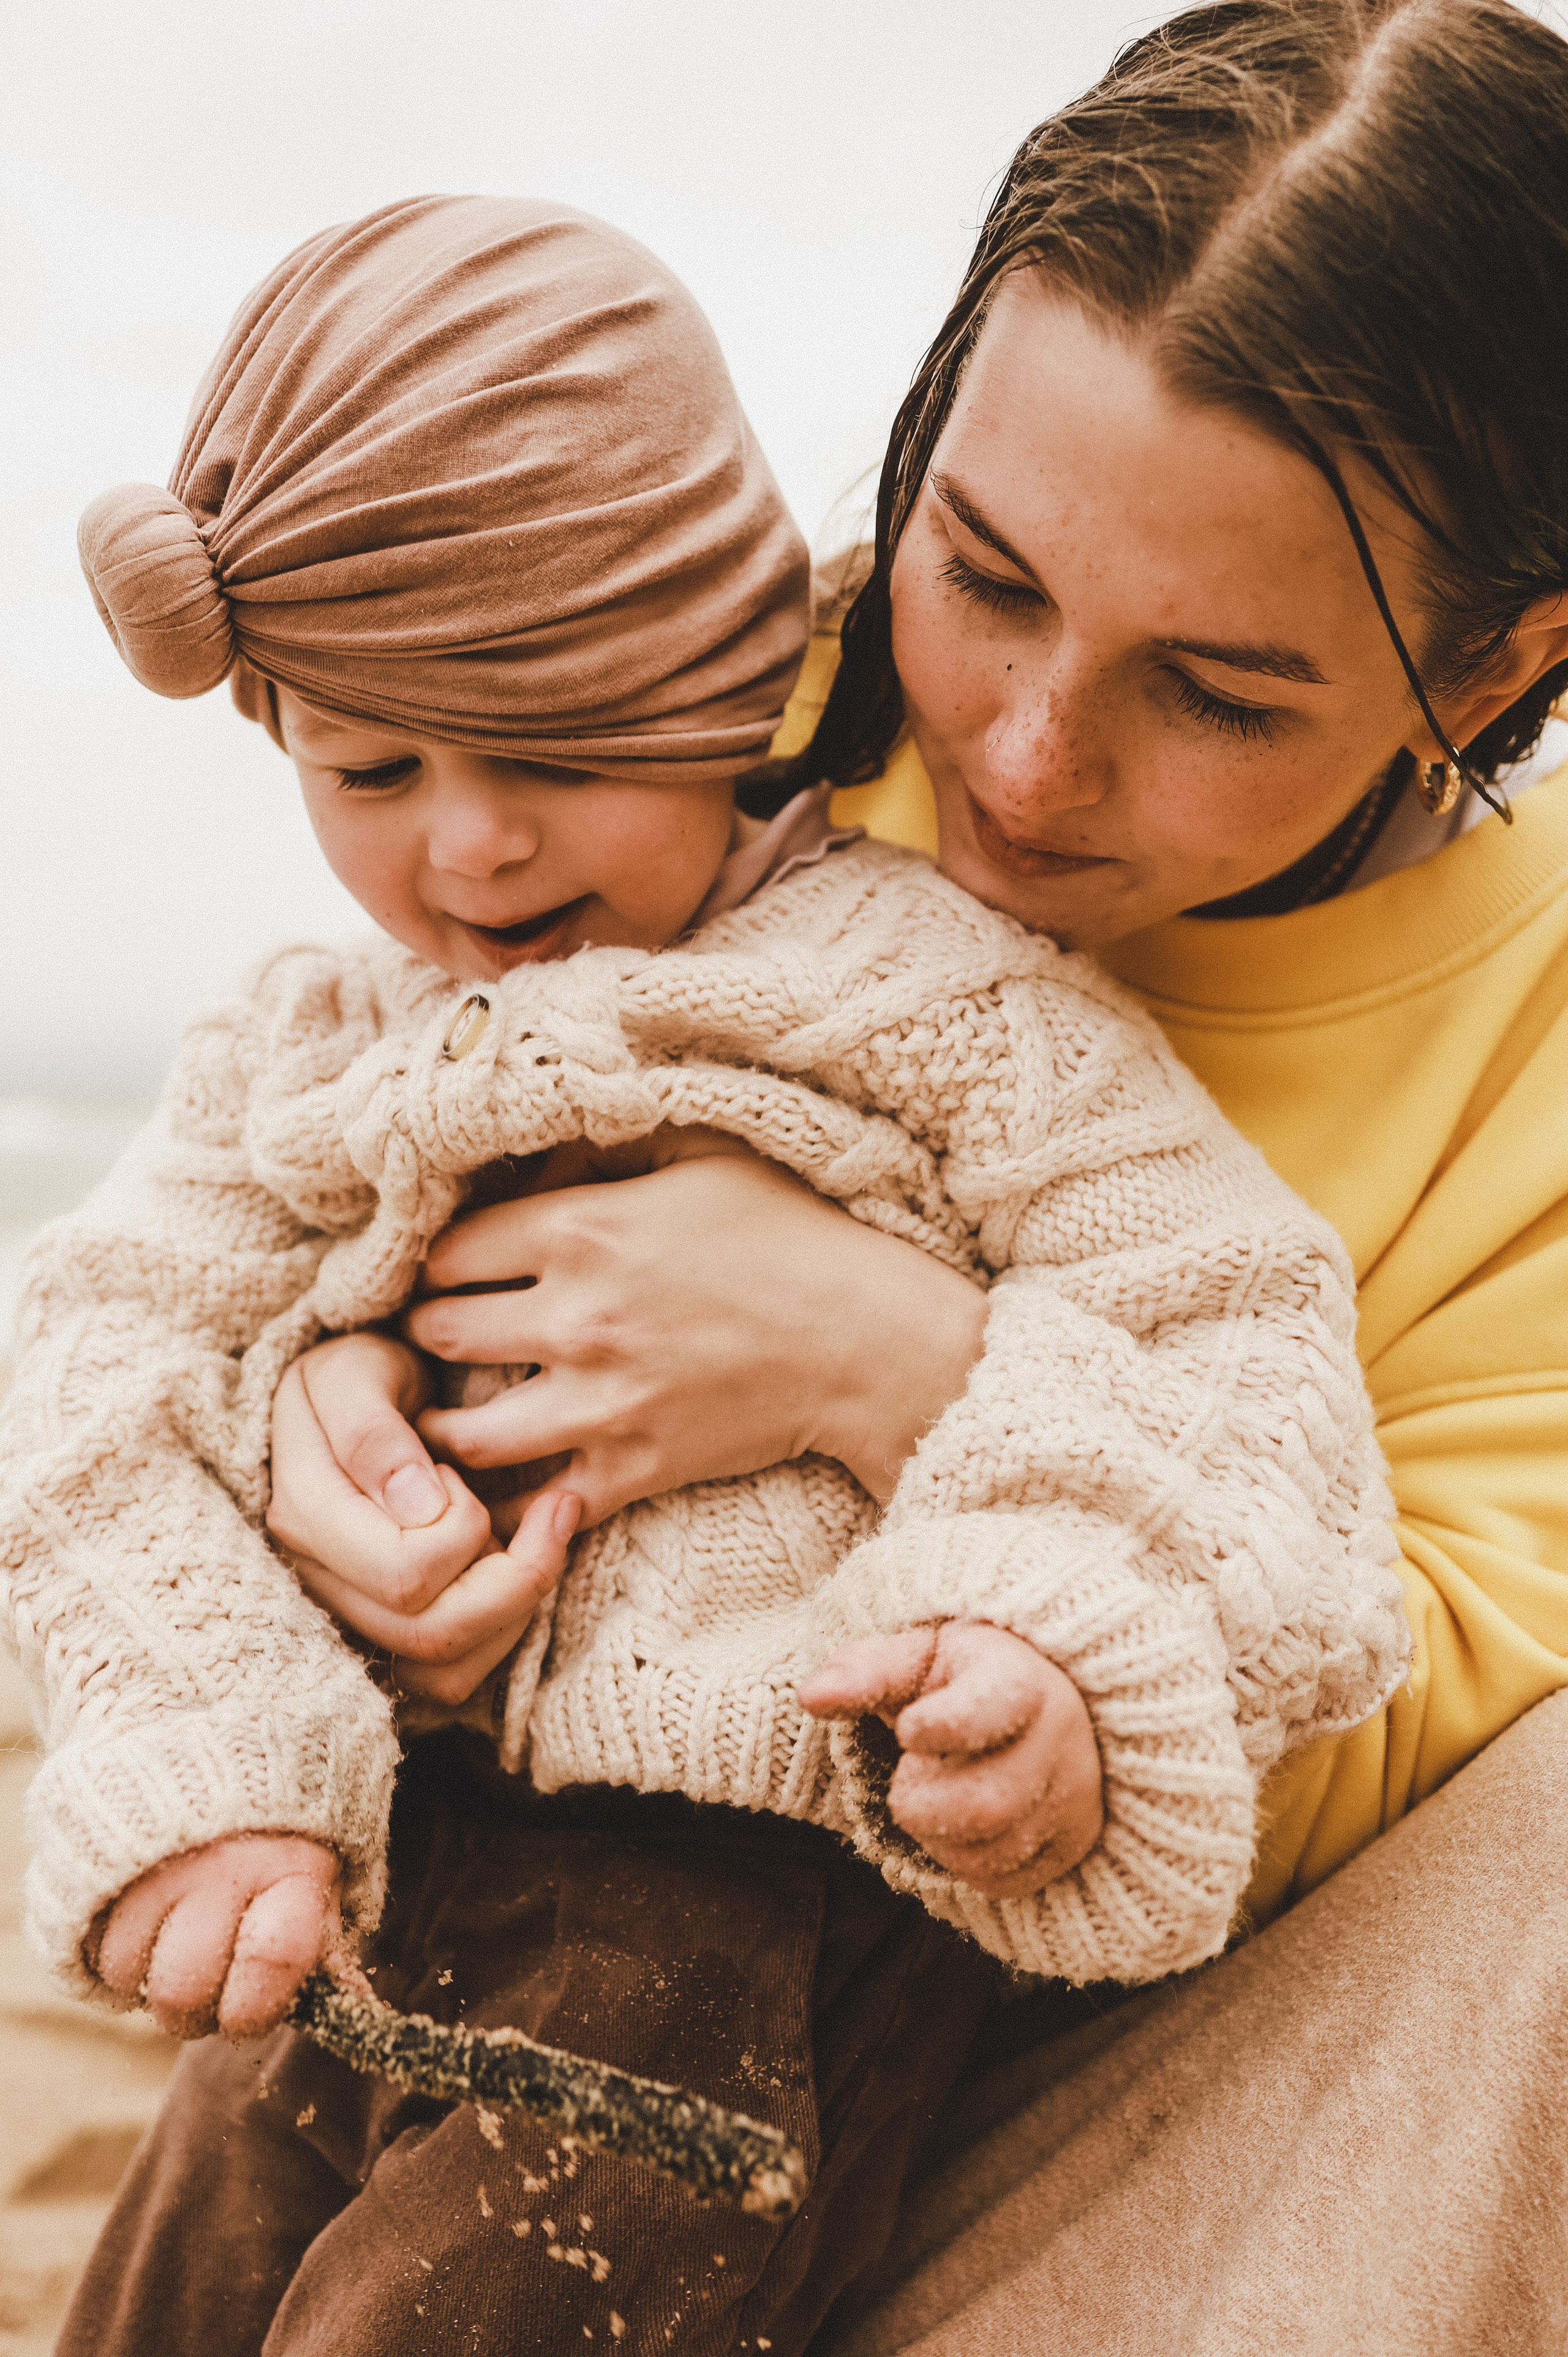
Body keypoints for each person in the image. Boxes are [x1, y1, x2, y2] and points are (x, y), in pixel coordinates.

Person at [260, 0, 1568, 2344]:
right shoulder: (720, 685)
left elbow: (1420, 1742)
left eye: (1223, 693)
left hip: (1092, 2049)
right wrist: (321, 1436)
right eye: (981, 570)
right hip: (488, 1881)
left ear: (1496, 671)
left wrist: (895, 1366)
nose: (1026, 753)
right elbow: (359, 1090)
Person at [2, 188, 1405, 2355]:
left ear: (732, 673)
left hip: (739, 1916)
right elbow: (93, 1362)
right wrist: (214, 1756)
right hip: (377, 1868)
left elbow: (1223, 1341)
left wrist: (1048, 1649)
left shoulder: (942, 1002)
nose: (465, 846)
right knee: (166, 2299)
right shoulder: (313, 1047)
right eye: (369, 766)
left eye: (554, 753)